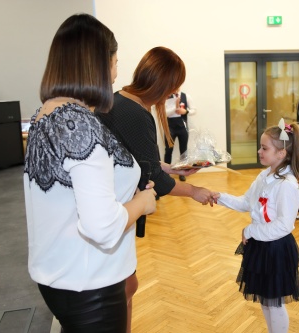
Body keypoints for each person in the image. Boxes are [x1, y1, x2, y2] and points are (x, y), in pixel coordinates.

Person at [23, 14, 156, 332]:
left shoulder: (45, 115)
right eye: (114, 62)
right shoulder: (80, 126)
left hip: (63, 278)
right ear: (96, 65)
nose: (115, 73)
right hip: (89, 285)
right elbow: (103, 227)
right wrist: (143, 202)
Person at [97, 46, 214, 331]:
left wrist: (171, 168)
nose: (173, 95)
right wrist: (194, 191)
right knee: (124, 287)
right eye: (172, 89)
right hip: (118, 209)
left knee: (127, 285)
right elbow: (154, 180)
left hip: (115, 207)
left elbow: (140, 160)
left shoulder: (118, 101)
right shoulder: (136, 113)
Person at [211, 120, 299, 333]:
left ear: (281, 154)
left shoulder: (287, 185)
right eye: (260, 146)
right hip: (261, 245)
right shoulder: (265, 175)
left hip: (276, 248)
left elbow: (284, 225)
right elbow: (246, 202)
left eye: (264, 148)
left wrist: (250, 230)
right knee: (264, 299)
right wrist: (219, 197)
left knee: (275, 304)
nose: (259, 151)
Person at [163, 90, 196, 181]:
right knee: (168, 150)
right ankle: (166, 173)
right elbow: (164, 113)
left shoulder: (186, 96)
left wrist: (185, 111)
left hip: (183, 127)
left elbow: (194, 110)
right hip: (170, 127)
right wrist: (176, 107)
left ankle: (183, 172)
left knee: (184, 151)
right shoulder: (166, 96)